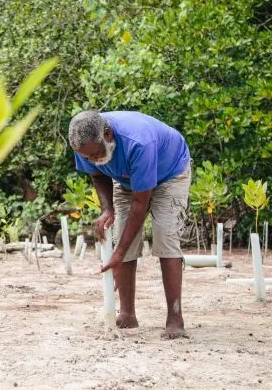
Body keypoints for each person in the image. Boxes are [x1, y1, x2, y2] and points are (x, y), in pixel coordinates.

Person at [68, 110, 191, 339]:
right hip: (127, 180)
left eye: (95, 154)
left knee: (165, 236)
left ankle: (175, 318)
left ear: (107, 135)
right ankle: (127, 314)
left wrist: (119, 253)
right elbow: (97, 175)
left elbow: (140, 203)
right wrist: (107, 208)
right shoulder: (83, 144)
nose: (92, 160)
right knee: (119, 233)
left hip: (170, 174)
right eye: (87, 157)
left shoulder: (139, 142)